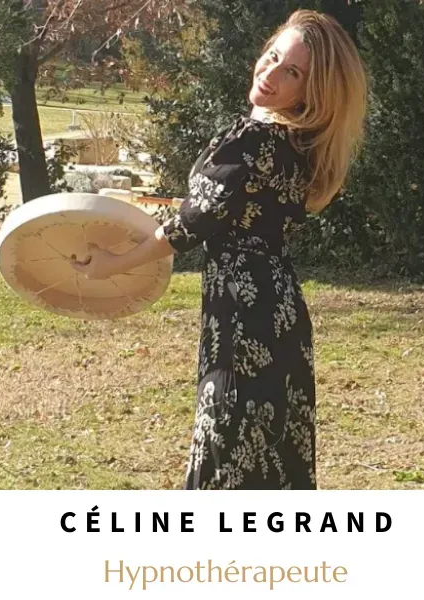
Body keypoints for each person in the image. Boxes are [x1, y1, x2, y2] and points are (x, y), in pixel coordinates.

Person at [72, 10, 367, 489]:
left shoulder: (252, 139)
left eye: (292, 71)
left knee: (225, 452)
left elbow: (195, 222)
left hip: (242, 316)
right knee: (275, 462)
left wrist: (116, 263)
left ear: (311, 92)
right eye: (273, 56)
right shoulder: (297, 146)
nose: (270, 72)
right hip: (283, 314)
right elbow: (223, 209)